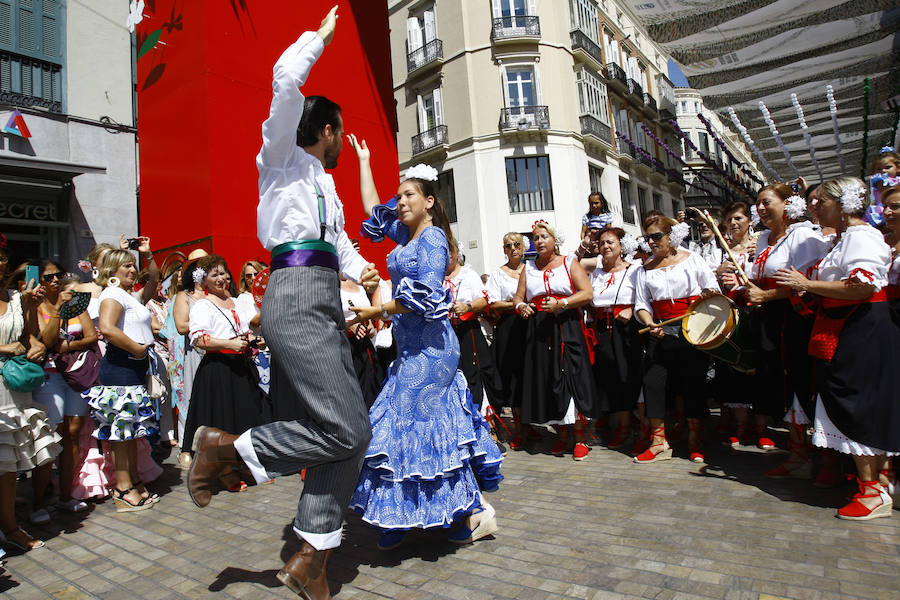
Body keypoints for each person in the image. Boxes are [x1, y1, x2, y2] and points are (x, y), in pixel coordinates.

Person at [186, 9, 381, 598]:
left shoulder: (325, 185)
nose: (344, 140)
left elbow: (338, 242)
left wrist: (362, 269)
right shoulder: (279, 161)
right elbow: (283, 82)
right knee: (352, 428)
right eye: (340, 130)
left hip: (322, 300)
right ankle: (228, 449)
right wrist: (317, 39)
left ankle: (311, 558)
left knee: (341, 431)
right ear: (323, 129)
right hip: (294, 299)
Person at [346, 155, 503, 550]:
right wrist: (365, 161)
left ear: (429, 201)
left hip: (433, 350)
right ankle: (403, 513)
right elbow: (372, 209)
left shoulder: (432, 239)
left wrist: (377, 309)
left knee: (418, 427)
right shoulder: (408, 236)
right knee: (402, 426)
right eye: (399, 196)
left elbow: (428, 296)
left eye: (408, 195)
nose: (400, 202)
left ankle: (467, 512)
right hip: (411, 348)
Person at [774, 177, 898, 520]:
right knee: (850, 400)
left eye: (822, 200)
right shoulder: (846, 239)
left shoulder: (861, 237)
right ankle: (873, 483)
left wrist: (806, 283)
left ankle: (874, 491)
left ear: (844, 205)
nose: (814, 205)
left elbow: (861, 286)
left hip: (861, 329)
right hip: (846, 327)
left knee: (859, 402)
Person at [745, 185, 831, 482]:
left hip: (796, 320)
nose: (760, 209)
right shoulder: (763, 240)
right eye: (757, 203)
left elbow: (808, 282)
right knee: (783, 383)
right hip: (770, 321)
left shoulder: (803, 235)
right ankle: (798, 454)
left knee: (802, 382)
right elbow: (758, 279)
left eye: (766, 202)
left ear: (787, 204)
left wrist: (767, 296)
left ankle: (822, 458)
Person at [633, 215, 719, 464]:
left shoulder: (692, 259)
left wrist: (707, 295)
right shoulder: (644, 268)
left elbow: (712, 287)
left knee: (693, 383)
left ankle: (695, 440)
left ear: (672, 237)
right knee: (652, 382)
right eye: (647, 238)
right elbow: (642, 304)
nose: (651, 242)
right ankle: (659, 442)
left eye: (656, 236)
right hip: (660, 332)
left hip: (692, 329)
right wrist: (649, 322)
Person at [81, 242, 160, 512]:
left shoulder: (130, 296)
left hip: (134, 367)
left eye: (133, 264)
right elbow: (107, 328)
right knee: (122, 431)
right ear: (112, 270)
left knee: (131, 429)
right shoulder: (112, 294)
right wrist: (137, 349)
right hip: (121, 367)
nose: (133, 268)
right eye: (127, 264)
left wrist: (148, 253)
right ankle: (123, 489)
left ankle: (133, 481)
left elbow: (154, 280)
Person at [511, 221, 599, 460]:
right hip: (539, 328)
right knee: (548, 377)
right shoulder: (528, 268)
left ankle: (580, 435)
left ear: (554, 240)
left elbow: (587, 292)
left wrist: (563, 303)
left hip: (567, 325)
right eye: (536, 238)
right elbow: (518, 298)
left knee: (571, 375)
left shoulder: (569, 262)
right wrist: (522, 307)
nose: (539, 241)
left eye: (543, 237)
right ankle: (562, 434)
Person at [182, 254, 266, 493]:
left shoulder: (234, 301)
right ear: (204, 280)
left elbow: (241, 332)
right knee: (223, 422)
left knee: (243, 417)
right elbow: (199, 339)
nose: (222, 278)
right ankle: (225, 472)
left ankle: (240, 465)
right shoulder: (203, 305)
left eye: (224, 273)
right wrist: (229, 345)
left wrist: (253, 340)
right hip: (219, 368)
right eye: (215, 275)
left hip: (240, 366)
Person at [0, 246, 61, 551]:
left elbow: (28, 336)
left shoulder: (15, 297)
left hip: (14, 387)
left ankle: (11, 526)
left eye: (0, 257)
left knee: (8, 464)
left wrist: (34, 343)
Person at [34, 263, 98, 516]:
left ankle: (65, 494)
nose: (55, 281)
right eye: (48, 277)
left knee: (73, 431)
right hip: (49, 376)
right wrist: (60, 309)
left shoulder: (75, 303)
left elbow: (92, 336)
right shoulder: (36, 306)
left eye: (58, 275)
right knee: (51, 435)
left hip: (73, 374)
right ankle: (38, 501)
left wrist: (68, 347)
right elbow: (47, 341)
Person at [586, 228, 642, 450]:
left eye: (610, 242)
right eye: (602, 243)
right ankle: (614, 423)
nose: (606, 246)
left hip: (625, 328)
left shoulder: (635, 270)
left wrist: (631, 309)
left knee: (625, 376)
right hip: (601, 329)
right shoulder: (596, 273)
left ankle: (627, 426)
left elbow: (644, 296)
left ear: (622, 246)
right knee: (606, 376)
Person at [445, 244, 504, 438]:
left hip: (468, 332)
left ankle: (488, 428)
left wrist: (468, 306)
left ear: (456, 253)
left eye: (448, 252)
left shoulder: (468, 275)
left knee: (476, 375)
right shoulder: (436, 278)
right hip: (446, 335)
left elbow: (484, 300)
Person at [485, 233, 527, 448]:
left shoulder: (532, 270)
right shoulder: (498, 274)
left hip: (530, 327)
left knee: (529, 376)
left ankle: (531, 425)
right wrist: (516, 304)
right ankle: (517, 428)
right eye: (508, 245)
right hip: (509, 328)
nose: (513, 248)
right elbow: (493, 304)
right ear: (503, 250)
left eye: (517, 244)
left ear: (523, 247)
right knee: (511, 378)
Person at [172, 253, 207, 466]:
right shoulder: (185, 296)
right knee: (193, 396)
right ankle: (189, 445)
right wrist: (206, 326)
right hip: (195, 352)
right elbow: (181, 326)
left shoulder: (218, 294)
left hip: (216, 350)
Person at [339, 275, 384, 409]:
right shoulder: (330, 281)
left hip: (364, 349)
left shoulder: (358, 281)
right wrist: (349, 326)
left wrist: (370, 323)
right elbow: (323, 319)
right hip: (343, 350)